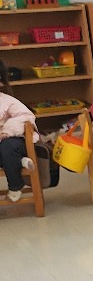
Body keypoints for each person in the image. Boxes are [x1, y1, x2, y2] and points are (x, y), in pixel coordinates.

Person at [0, 59, 37, 203]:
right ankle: (20, 161)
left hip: (14, 141)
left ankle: (15, 186)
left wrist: (8, 131)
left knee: (8, 146)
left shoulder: (6, 100)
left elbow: (26, 116)